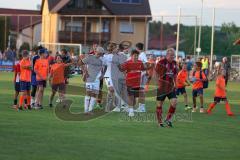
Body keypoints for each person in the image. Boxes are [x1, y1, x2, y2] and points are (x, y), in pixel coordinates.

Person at [119, 49, 149, 117]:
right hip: (130, 82)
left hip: (138, 83)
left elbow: (143, 69)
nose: (136, 57)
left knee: (140, 95)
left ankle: (140, 108)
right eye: (134, 56)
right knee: (131, 96)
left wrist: (146, 73)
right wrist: (125, 76)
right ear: (131, 56)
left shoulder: (140, 62)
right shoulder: (127, 63)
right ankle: (131, 111)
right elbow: (122, 70)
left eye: (137, 56)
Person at [155, 48, 178, 127]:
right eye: (171, 55)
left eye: (173, 55)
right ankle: (159, 122)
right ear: (167, 55)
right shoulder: (161, 62)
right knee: (159, 105)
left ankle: (168, 119)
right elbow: (155, 74)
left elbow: (175, 75)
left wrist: (176, 84)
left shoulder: (175, 63)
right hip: (162, 87)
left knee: (174, 102)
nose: (173, 57)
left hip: (171, 87)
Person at [78, 47, 105, 114]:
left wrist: (103, 74)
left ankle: (90, 110)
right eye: (99, 53)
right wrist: (85, 72)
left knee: (94, 95)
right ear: (96, 52)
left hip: (97, 80)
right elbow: (80, 63)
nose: (100, 55)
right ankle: (86, 110)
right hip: (89, 79)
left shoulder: (102, 59)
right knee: (88, 94)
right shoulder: (89, 57)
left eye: (101, 54)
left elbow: (106, 66)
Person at [111, 43, 128, 112]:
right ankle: (121, 106)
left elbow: (123, 67)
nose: (115, 49)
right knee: (119, 92)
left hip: (121, 76)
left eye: (116, 48)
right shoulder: (114, 55)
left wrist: (126, 76)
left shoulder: (122, 56)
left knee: (121, 92)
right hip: (116, 76)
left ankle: (120, 107)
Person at [135, 42, 149, 112]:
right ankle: (140, 107)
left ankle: (142, 108)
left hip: (142, 74)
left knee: (141, 91)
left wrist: (146, 71)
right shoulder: (141, 54)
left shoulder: (142, 55)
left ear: (137, 48)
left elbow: (146, 63)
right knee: (140, 91)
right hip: (140, 74)